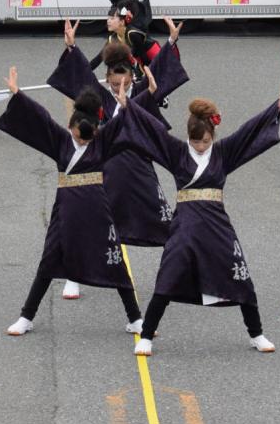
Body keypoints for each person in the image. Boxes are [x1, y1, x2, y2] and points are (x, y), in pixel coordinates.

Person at [114, 79, 280, 356]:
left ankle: (257, 334)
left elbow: (247, 132)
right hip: (185, 223)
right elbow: (152, 131)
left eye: (205, 141)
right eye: (195, 141)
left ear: (213, 136)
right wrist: (127, 107)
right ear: (188, 137)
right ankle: (146, 336)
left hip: (217, 223)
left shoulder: (223, 152)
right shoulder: (176, 151)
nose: (200, 146)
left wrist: (275, 109)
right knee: (168, 274)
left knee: (240, 275)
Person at [0, 72, 142, 337]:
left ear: (96, 131)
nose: (82, 142)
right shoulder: (60, 140)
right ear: (70, 126)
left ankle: (135, 319)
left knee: (116, 262)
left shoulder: (102, 140)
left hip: (98, 210)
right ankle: (26, 317)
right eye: (77, 137)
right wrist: (18, 94)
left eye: (87, 139)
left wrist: (124, 106)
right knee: (48, 263)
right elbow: (41, 118)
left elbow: (123, 125)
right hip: (66, 211)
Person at [50, 19, 188, 281]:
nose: (119, 89)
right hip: (108, 168)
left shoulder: (142, 92)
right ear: (108, 79)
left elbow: (161, 70)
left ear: (131, 76)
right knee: (90, 222)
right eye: (114, 85)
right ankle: (73, 276)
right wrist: (71, 48)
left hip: (139, 167)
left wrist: (171, 41)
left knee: (164, 224)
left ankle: (177, 270)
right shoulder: (100, 97)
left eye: (123, 83)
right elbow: (81, 74)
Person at [89, 0, 161, 78]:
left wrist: (144, 74)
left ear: (122, 22)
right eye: (108, 18)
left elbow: (144, 58)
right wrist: (83, 71)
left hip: (155, 57)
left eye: (112, 18)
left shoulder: (132, 33)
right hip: (141, 63)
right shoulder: (113, 39)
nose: (108, 21)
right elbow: (98, 59)